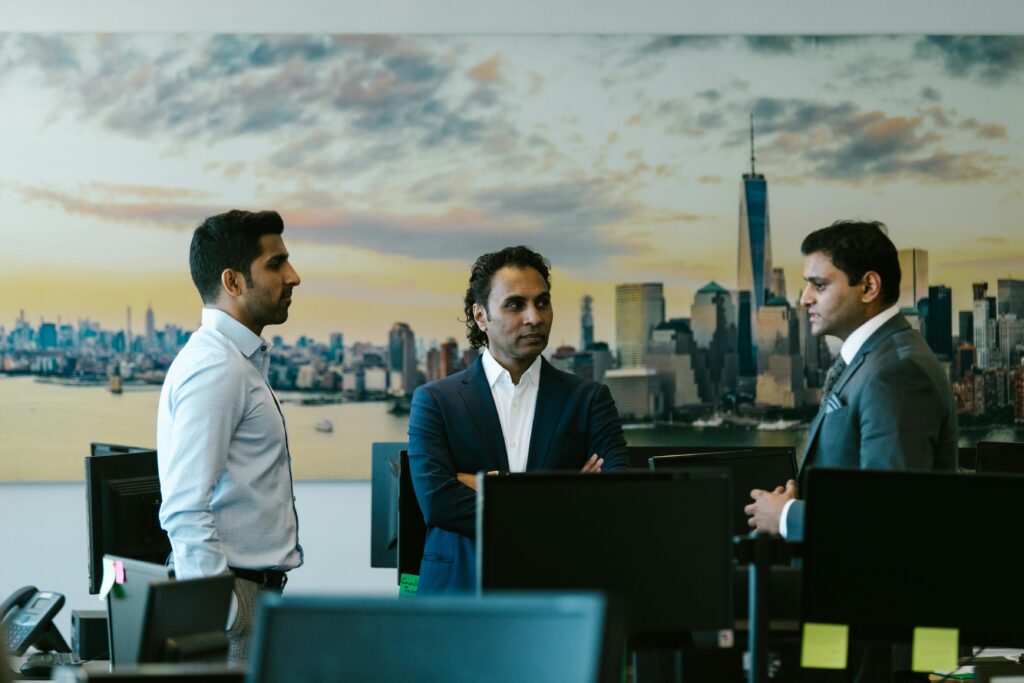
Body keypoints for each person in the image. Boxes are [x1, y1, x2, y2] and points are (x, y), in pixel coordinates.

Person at [407, 245, 629, 594]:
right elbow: (438, 503)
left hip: (559, 591)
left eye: (542, 302)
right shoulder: (435, 400)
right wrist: (562, 497)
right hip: (460, 595)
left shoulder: (589, 399)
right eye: (515, 305)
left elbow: (617, 496)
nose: (535, 317)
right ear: (481, 317)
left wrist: (499, 489)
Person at [745, 219, 957, 541]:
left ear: (869, 287)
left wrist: (786, 516)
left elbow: (889, 513)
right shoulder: (877, 356)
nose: (804, 299)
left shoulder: (897, 373)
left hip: (863, 587)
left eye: (819, 285)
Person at [157, 210, 303, 664]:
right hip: (233, 596)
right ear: (233, 281)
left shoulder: (236, 362)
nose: (293, 277)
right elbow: (183, 505)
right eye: (276, 264)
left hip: (250, 593)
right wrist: (222, 610)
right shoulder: (217, 367)